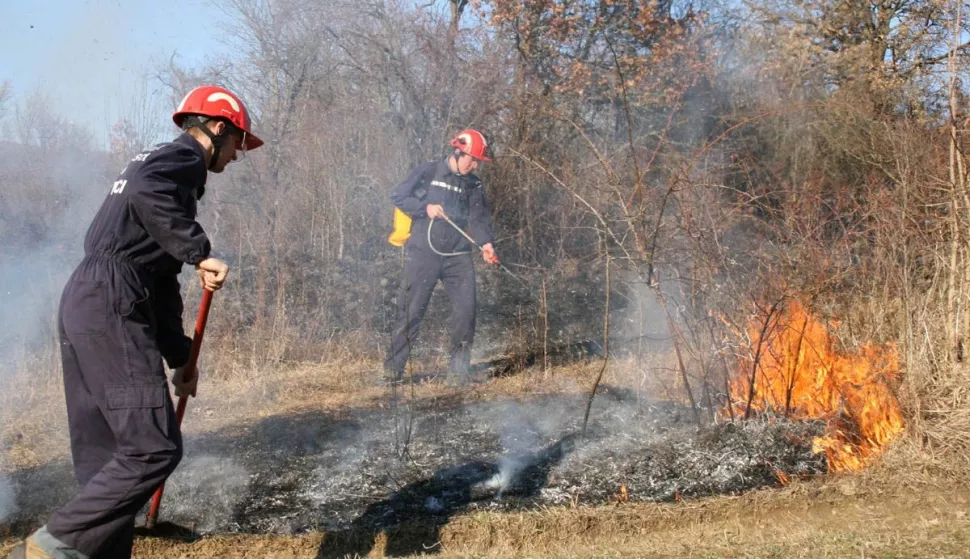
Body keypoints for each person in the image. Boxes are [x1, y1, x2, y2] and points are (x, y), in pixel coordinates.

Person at [7, 85, 263, 559]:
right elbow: (154, 205)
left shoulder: (155, 167)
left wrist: (181, 357)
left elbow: (160, 282)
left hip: (87, 299)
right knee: (154, 448)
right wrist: (199, 252)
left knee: (106, 460)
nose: (236, 157)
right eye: (237, 145)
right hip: (112, 301)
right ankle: (48, 548)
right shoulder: (183, 159)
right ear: (218, 130)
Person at [384, 129, 499, 385]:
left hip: (458, 255)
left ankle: (458, 374)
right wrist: (424, 208)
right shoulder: (428, 172)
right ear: (458, 151)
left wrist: (486, 243)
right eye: (472, 158)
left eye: (478, 161)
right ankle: (392, 371)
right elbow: (398, 196)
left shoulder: (474, 184)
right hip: (424, 253)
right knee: (411, 312)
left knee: (466, 312)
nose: (475, 164)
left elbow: (478, 219)